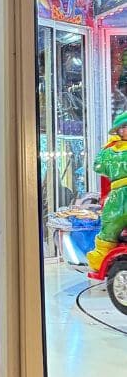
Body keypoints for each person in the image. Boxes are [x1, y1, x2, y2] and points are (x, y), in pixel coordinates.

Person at [86, 111, 127, 271]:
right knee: (109, 226)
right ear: (118, 131)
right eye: (123, 127)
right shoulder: (110, 151)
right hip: (117, 198)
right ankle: (100, 254)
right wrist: (107, 148)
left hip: (117, 197)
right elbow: (98, 165)